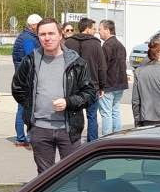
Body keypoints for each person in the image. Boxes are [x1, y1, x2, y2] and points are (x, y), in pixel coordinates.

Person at [12, 18, 98, 174]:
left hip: (68, 129)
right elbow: (17, 88)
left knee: (72, 174)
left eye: (51, 33)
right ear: (38, 36)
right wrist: (32, 105)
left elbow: (89, 93)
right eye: (42, 34)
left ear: (60, 35)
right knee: (45, 177)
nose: (47, 38)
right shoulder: (30, 61)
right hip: (40, 129)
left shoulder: (77, 62)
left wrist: (69, 102)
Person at [65, 17, 104, 141]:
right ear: (87, 29)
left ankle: (72, 141)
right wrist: (102, 86)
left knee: (73, 115)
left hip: (72, 86)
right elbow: (102, 67)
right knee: (92, 116)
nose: (95, 31)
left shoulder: (68, 43)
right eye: (93, 29)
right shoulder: (96, 44)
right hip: (92, 85)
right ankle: (92, 143)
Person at [10, 13, 41, 147]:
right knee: (24, 108)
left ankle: (22, 137)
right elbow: (32, 58)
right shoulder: (28, 39)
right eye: (39, 25)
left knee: (23, 108)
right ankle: (23, 138)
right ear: (33, 25)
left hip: (22, 77)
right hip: (26, 79)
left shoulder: (25, 36)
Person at [97, 19, 128, 136]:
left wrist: (101, 86)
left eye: (100, 29)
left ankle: (107, 138)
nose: (98, 32)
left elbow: (102, 67)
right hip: (120, 84)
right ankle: (117, 137)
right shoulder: (120, 45)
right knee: (115, 111)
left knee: (106, 113)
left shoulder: (106, 46)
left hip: (109, 85)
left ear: (107, 30)